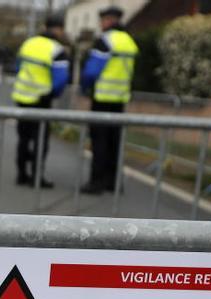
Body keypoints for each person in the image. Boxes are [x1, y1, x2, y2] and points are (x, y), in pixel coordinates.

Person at [80, 6, 138, 194]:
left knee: (99, 142)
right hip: (120, 99)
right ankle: (113, 182)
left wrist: (84, 87)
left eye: (102, 20)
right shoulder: (129, 41)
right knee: (115, 143)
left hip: (102, 98)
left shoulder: (105, 41)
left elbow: (91, 71)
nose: (101, 24)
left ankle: (96, 182)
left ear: (109, 21)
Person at [11, 15, 69, 188]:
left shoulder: (28, 43)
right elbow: (61, 78)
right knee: (40, 140)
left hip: (22, 97)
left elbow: (17, 67)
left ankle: (21, 174)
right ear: (60, 29)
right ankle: (36, 177)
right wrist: (52, 94)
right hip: (42, 100)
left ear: (44, 27)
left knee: (23, 138)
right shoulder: (57, 50)